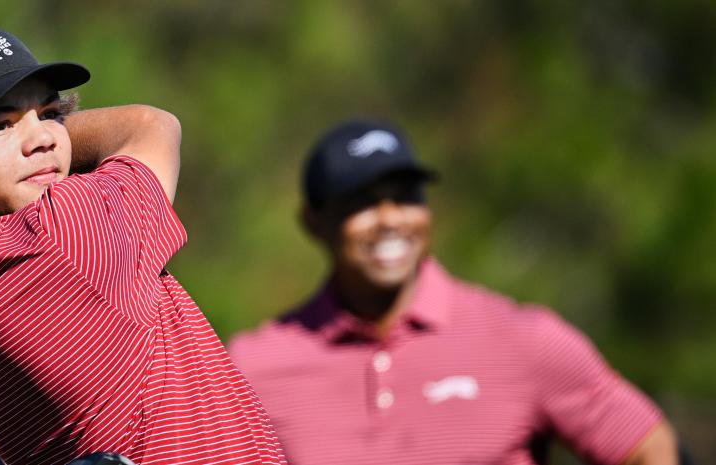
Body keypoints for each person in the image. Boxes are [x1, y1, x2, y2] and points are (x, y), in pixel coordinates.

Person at [0, 23, 285, 465]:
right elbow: (149, 126)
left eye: (50, 114)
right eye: (0, 126)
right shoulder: (63, 234)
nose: (45, 138)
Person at [227, 120, 679, 465]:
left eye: (406, 197)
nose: (390, 219)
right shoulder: (252, 367)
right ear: (313, 223)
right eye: (361, 203)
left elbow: (649, 449)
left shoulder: (522, 339)